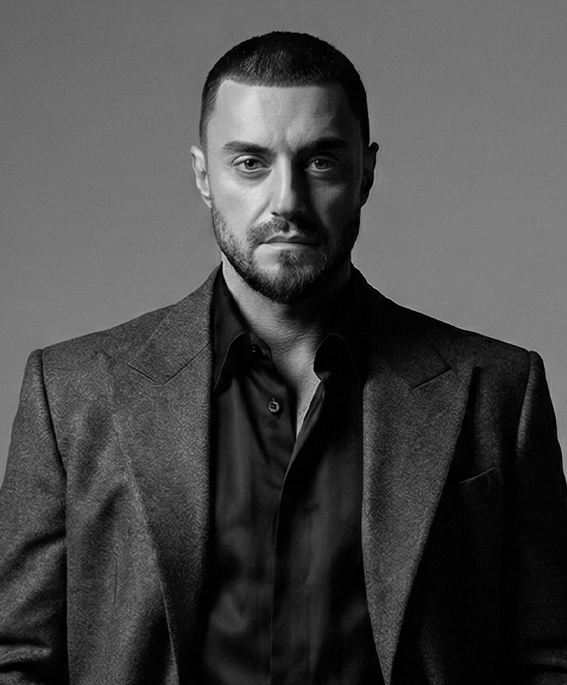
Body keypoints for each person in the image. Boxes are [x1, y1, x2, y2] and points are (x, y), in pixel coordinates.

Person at [0, 30, 566, 685]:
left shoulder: (499, 389)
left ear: (366, 172)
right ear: (203, 176)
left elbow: (549, 655)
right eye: (250, 163)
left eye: (320, 161)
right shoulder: (70, 392)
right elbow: (18, 657)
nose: (287, 202)